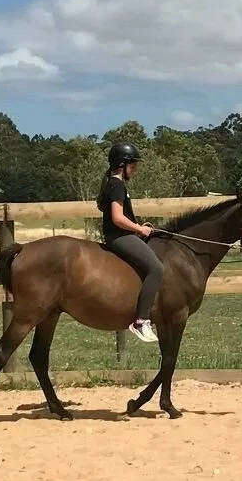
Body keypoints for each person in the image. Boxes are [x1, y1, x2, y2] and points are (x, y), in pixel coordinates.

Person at [98, 142, 164, 343]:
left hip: (121, 234)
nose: (134, 171)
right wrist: (139, 229)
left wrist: (137, 226)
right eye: (133, 167)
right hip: (119, 237)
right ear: (122, 165)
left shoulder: (113, 183)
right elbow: (117, 218)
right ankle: (141, 321)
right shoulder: (117, 185)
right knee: (156, 268)